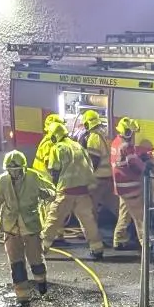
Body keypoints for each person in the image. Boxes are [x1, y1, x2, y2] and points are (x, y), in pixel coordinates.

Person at [0, 148, 53, 306]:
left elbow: (52, 191)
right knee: (16, 264)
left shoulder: (33, 177)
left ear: (23, 168)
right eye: (10, 170)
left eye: (17, 169)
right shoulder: (2, 181)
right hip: (11, 229)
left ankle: (41, 283)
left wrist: (47, 193)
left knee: (36, 260)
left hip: (31, 226)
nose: (14, 173)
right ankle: (22, 297)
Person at [41, 121, 105, 257]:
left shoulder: (58, 148)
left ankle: (41, 249)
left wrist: (54, 189)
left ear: (54, 136)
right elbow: (90, 166)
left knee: (53, 219)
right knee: (88, 220)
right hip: (83, 190)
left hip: (66, 191)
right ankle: (97, 248)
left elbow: (54, 171)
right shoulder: (78, 146)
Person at [111, 119, 154, 253]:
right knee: (140, 216)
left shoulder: (116, 142)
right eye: (132, 132)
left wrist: (139, 158)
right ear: (127, 132)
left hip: (121, 187)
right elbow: (135, 165)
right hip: (130, 187)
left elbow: (128, 160)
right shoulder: (126, 146)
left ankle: (119, 240)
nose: (133, 135)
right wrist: (147, 166)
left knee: (125, 214)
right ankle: (147, 243)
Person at [80, 109, 118, 227]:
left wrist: (86, 176)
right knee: (116, 207)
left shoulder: (93, 137)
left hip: (98, 180)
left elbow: (93, 161)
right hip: (109, 177)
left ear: (87, 124)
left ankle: (93, 233)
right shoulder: (105, 133)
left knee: (91, 208)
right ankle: (127, 231)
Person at [34, 113, 70, 178]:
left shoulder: (50, 139)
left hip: (42, 176)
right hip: (44, 178)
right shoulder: (49, 143)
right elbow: (49, 165)